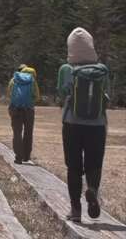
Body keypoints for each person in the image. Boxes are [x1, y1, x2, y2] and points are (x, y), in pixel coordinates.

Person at [57, 28, 110, 223]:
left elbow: (61, 94)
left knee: (73, 166)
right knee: (94, 164)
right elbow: (107, 96)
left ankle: (75, 209)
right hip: (97, 124)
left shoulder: (65, 69)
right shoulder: (102, 69)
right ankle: (93, 190)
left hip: (72, 123)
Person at [7, 64, 40, 164]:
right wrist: (30, 102)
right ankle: (26, 156)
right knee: (28, 133)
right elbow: (37, 97)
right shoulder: (32, 81)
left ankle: (18, 157)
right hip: (29, 110)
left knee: (17, 133)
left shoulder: (14, 80)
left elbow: (9, 94)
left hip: (16, 109)